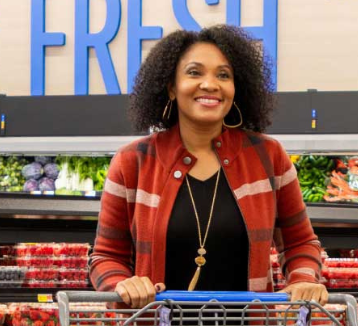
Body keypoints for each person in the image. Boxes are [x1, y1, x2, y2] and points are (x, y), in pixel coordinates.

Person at [91, 25, 328, 308]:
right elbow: (106, 256)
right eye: (194, 72)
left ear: (236, 88)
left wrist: (302, 280)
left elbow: (300, 242)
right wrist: (123, 283)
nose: (210, 84)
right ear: (170, 86)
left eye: (224, 75)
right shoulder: (133, 161)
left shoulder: (269, 156)